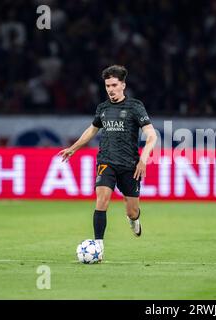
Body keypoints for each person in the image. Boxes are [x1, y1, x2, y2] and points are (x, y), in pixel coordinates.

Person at [58, 65, 157, 260]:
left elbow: (152, 136)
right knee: (102, 200)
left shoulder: (135, 107)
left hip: (130, 165)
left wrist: (143, 160)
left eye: (114, 85)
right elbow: (92, 130)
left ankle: (133, 220)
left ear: (123, 85)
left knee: (132, 210)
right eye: (107, 86)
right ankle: (98, 247)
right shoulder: (102, 108)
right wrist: (73, 148)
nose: (110, 89)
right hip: (106, 161)